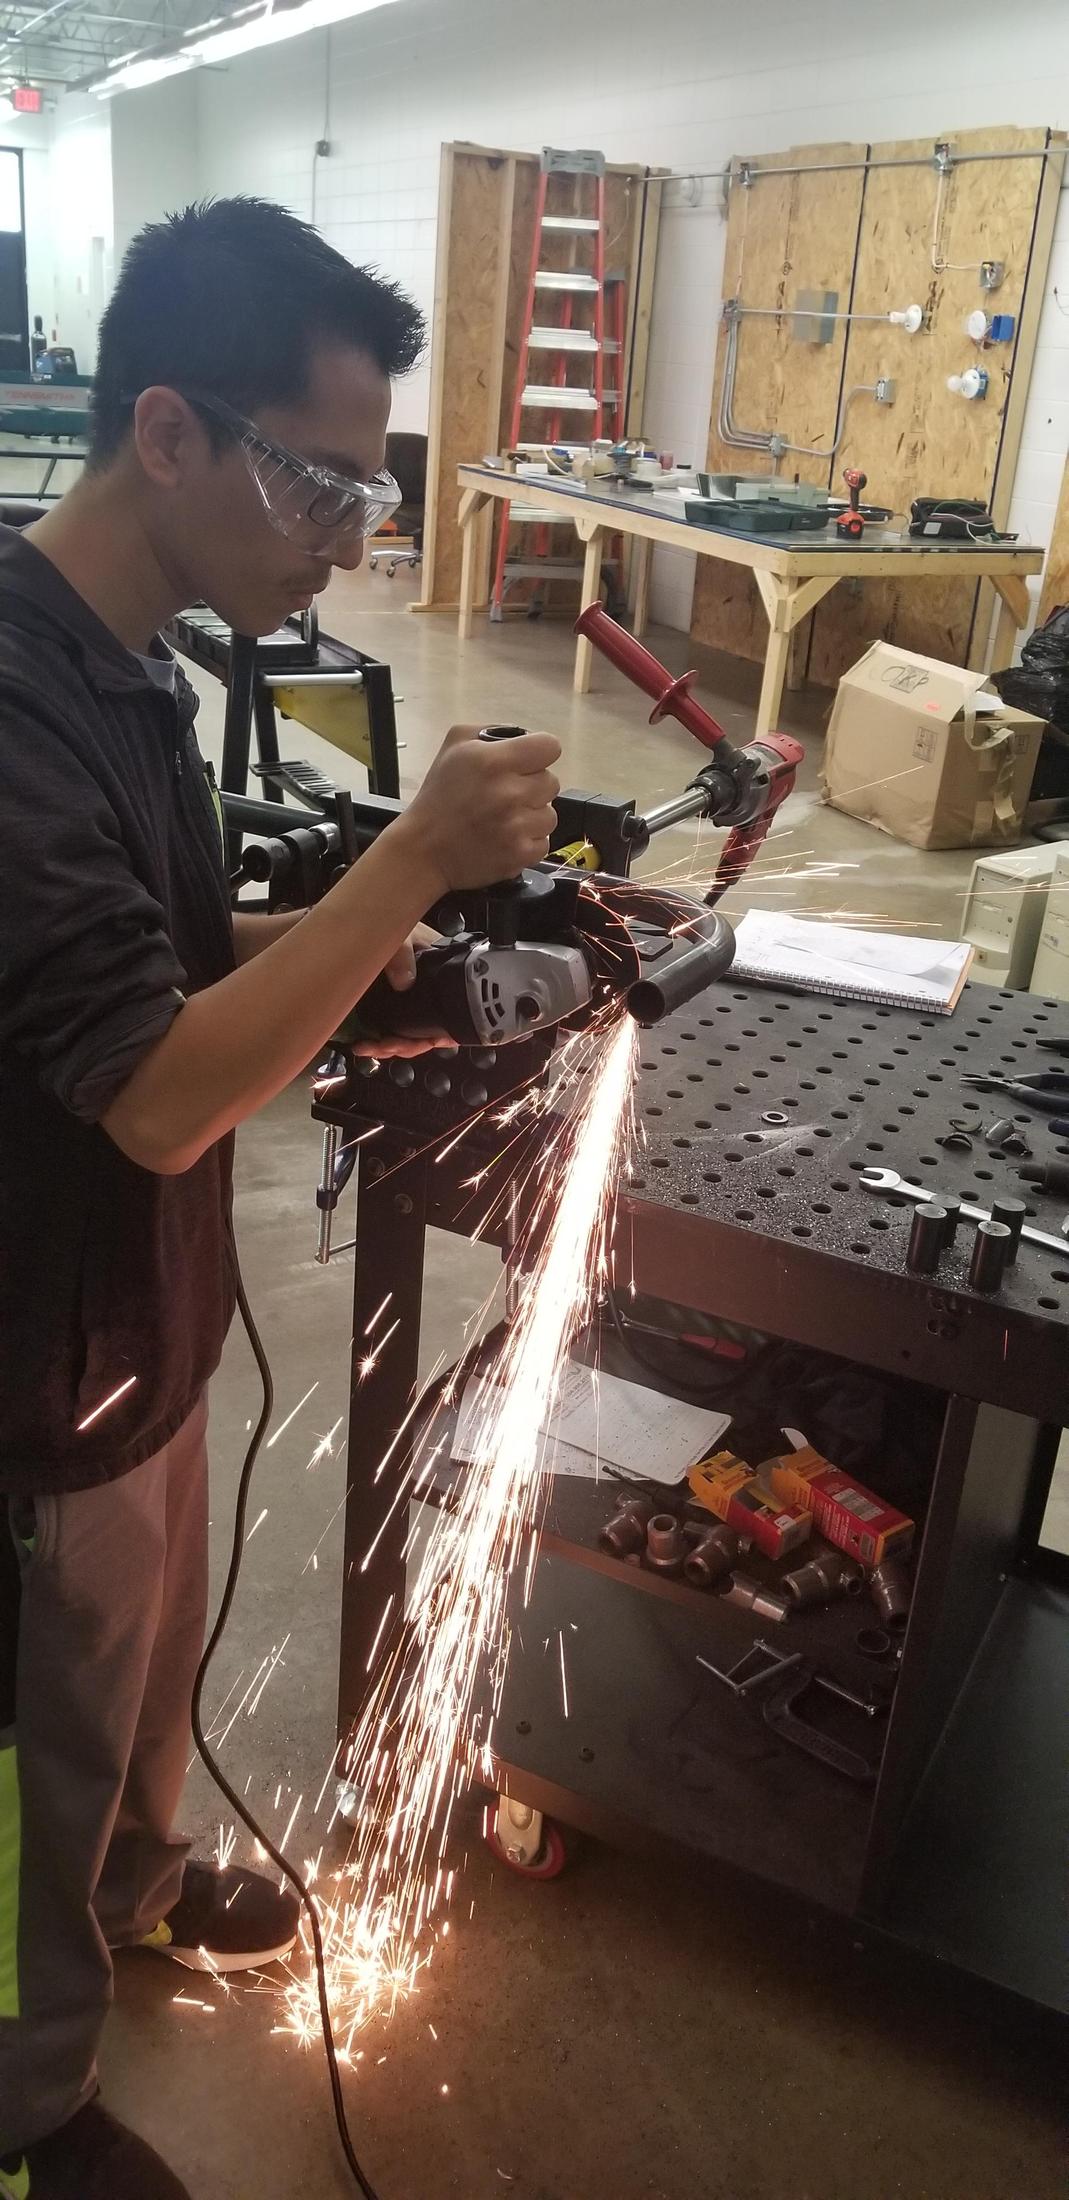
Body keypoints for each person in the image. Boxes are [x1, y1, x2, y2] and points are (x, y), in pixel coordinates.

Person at [0, 197, 561, 2200]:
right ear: (166, 431)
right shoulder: (12, 703)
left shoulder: (138, 663)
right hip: (27, 1370)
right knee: (40, 1723)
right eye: (317, 477)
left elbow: (170, 956)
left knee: (135, 1688)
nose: (346, 532)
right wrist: (396, 869)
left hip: (136, 1335)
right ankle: (25, 2100)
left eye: (370, 490)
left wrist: (365, 948)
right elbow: (156, 1092)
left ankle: (137, 1887)